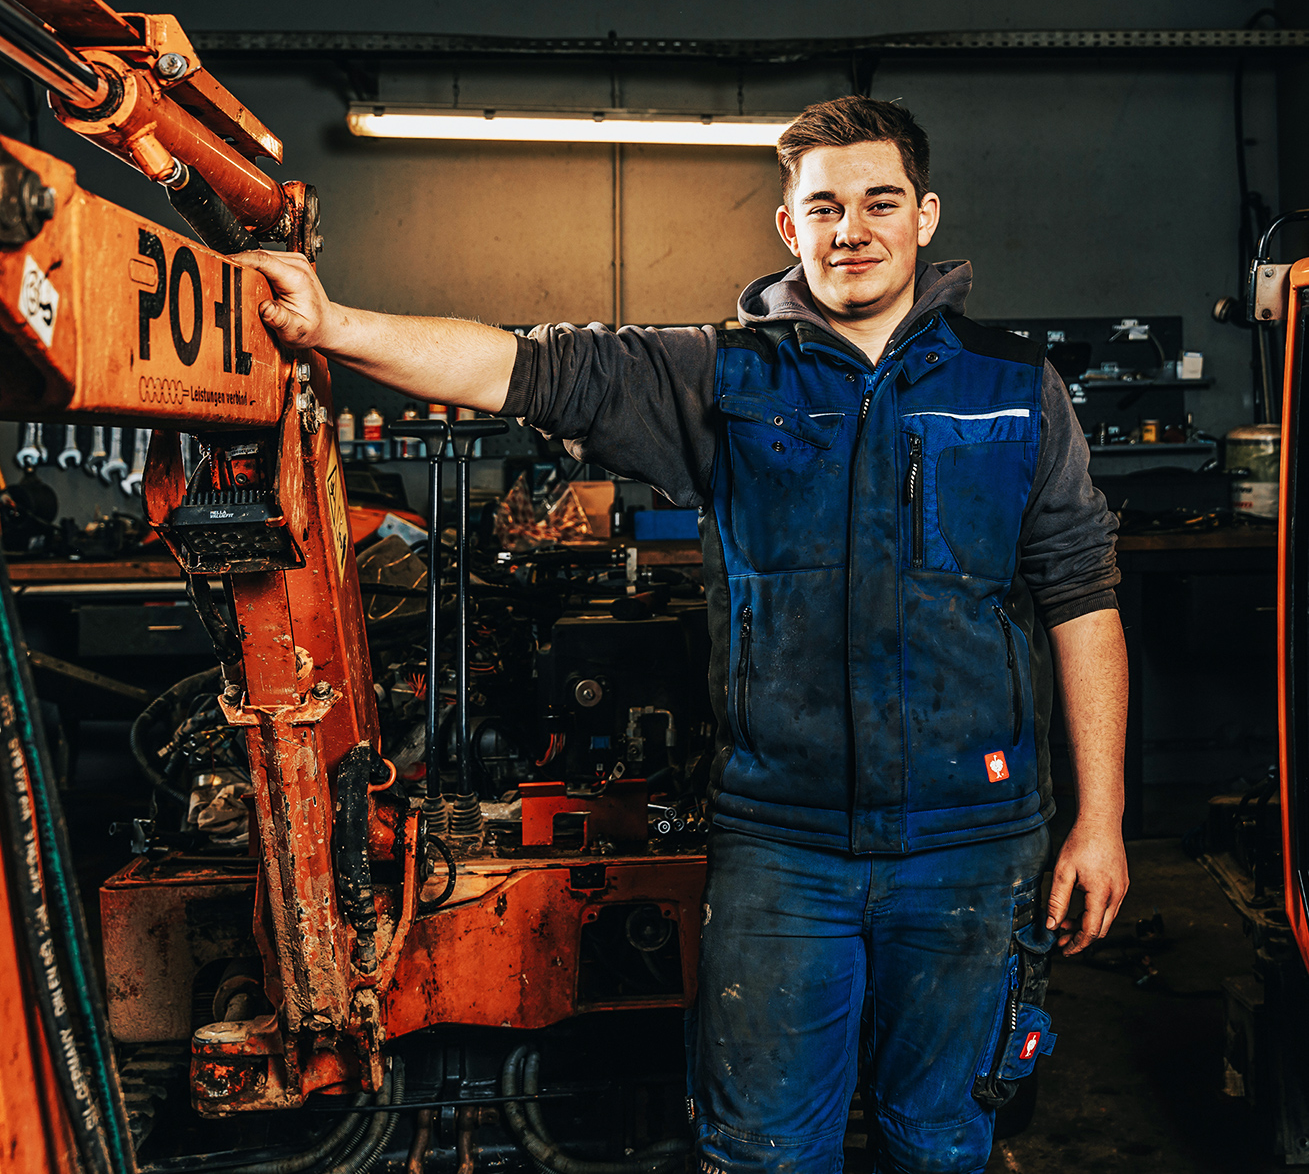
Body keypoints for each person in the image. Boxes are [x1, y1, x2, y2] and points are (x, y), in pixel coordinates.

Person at [238, 95, 1129, 1174]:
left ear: (925, 215)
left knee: (940, 1142)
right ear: (787, 229)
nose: (852, 228)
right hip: (782, 846)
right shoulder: (724, 376)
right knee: (760, 1150)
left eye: (879, 201)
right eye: (824, 205)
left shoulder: (1015, 389)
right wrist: (335, 327)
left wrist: (1101, 821)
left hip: (974, 841)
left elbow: (1082, 599)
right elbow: (522, 366)